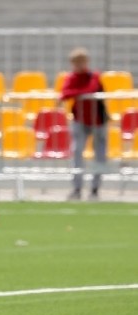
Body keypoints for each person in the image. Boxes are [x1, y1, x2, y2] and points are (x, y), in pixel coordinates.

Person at [60, 47, 107, 200]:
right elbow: (65, 93)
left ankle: (95, 189)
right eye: (76, 62)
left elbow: (91, 88)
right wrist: (81, 93)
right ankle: (77, 188)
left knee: (100, 155)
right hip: (79, 120)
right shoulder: (71, 77)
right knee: (77, 153)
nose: (80, 65)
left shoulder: (94, 75)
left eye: (82, 62)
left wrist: (77, 92)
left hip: (98, 121)